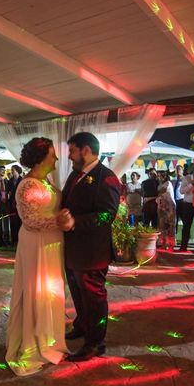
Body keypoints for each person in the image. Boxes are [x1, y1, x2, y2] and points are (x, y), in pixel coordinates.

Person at [5, 137, 72, 376]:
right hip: (36, 244)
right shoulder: (27, 186)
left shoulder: (48, 181)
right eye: (53, 154)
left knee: (52, 290)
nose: (56, 158)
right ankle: (33, 344)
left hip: (52, 243)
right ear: (42, 157)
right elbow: (30, 220)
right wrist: (59, 220)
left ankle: (50, 338)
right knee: (36, 290)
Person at [60, 132, 121, 362]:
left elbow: (108, 215)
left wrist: (75, 221)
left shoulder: (106, 177)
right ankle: (82, 325)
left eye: (72, 150)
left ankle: (96, 343)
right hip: (74, 250)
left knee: (94, 298)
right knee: (78, 293)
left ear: (86, 150)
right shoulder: (76, 175)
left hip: (93, 252)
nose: (69, 156)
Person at [179, 167, 194, 253]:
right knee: (186, 226)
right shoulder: (186, 178)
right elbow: (181, 191)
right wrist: (191, 184)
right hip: (188, 204)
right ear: (193, 173)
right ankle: (183, 246)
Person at [156, 170, 176, 251]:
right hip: (161, 205)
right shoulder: (159, 184)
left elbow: (162, 191)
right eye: (159, 176)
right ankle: (163, 242)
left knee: (170, 225)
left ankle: (170, 243)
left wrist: (159, 192)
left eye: (161, 176)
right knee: (162, 225)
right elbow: (159, 193)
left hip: (169, 206)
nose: (160, 177)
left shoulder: (168, 183)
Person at [8, 164, 23, 246]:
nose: (12, 172)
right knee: (12, 222)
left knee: (19, 222)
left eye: (13, 170)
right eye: (11, 170)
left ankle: (20, 239)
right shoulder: (10, 181)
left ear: (17, 170)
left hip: (19, 204)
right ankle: (14, 240)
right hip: (12, 205)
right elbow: (8, 191)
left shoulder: (22, 180)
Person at [172, 164, 185, 228]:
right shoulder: (173, 180)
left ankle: (186, 235)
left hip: (182, 201)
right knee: (174, 219)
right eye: (176, 169)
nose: (178, 171)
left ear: (182, 171)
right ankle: (174, 235)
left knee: (184, 218)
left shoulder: (185, 179)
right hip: (174, 201)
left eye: (179, 169)